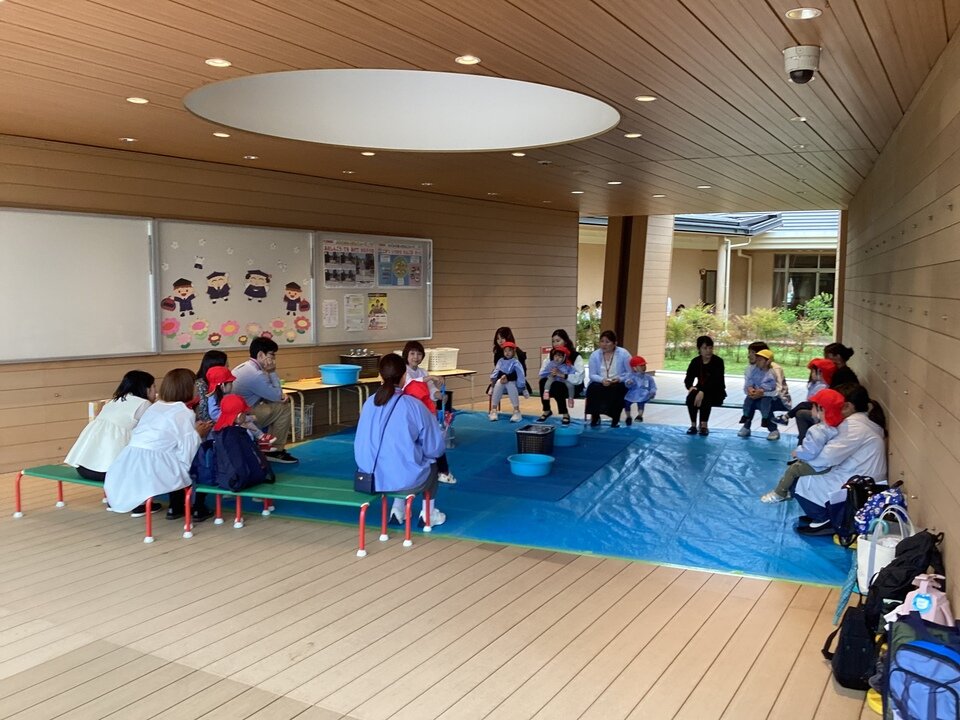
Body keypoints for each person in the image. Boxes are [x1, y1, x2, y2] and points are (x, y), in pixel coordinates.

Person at [355, 353, 447, 527]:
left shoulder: (368, 403)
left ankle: (398, 509)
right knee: (431, 463)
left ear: (381, 376)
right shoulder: (413, 405)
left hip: (368, 477)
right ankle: (428, 514)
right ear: (405, 376)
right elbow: (435, 448)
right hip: (404, 480)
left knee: (399, 460)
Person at [104, 369, 212, 515]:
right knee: (193, 465)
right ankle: (193, 507)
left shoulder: (155, 406)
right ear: (188, 388)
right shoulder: (184, 412)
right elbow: (187, 452)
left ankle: (175, 508)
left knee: (172, 456)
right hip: (155, 468)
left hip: (127, 462)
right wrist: (198, 434)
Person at [793, 383, 888, 536]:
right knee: (803, 472)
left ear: (847, 406)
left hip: (858, 488)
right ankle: (823, 513)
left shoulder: (854, 427)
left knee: (798, 478)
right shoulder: (860, 422)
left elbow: (825, 458)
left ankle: (827, 518)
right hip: (858, 481)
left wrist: (802, 455)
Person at [64, 370, 160, 516]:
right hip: (109, 473)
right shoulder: (144, 404)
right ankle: (138, 505)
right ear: (146, 388)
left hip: (83, 468)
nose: (156, 391)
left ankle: (113, 500)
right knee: (144, 460)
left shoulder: (114, 401)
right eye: (154, 387)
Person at [760, 388, 844, 503]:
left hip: (818, 466)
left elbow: (810, 452)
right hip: (826, 464)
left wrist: (797, 452)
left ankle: (779, 493)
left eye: (812, 407)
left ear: (821, 409)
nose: (810, 409)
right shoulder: (833, 428)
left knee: (792, 470)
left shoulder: (817, 430)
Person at [232, 336, 297, 463]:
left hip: (241, 413)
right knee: (283, 408)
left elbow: (272, 393)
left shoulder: (247, 367)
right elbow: (277, 395)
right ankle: (275, 450)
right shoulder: (255, 374)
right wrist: (272, 371)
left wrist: (278, 395)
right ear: (261, 355)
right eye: (272, 355)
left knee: (276, 405)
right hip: (242, 418)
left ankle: (269, 446)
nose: (274, 359)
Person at [794, 343, 859, 442]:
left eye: (828, 356)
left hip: (839, 411)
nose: (826, 360)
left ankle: (803, 442)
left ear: (838, 356)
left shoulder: (842, 375)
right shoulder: (839, 372)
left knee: (801, 414)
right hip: (835, 407)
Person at [205, 366, 276, 452]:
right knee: (246, 423)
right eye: (231, 383)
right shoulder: (213, 397)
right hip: (223, 426)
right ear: (223, 385)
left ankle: (261, 439)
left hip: (231, 422)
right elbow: (215, 415)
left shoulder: (225, 395)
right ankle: (260, 438)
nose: (232, 385)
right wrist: (246, 418)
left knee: (246, 423)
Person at [537, 328, 584, 425]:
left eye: (558, 341)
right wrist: (551, 372)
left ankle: (565, 413)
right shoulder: (552, 355)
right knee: (543, 382)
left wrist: (563, 375)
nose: (555, 344)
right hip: (556, 382)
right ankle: (546, 410)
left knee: (557, 385)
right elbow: (542, 371)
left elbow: (579, 377)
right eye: (553, 341)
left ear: (565, 341)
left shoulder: (575, 356)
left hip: (572, 385)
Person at [585, 330, 632, 427]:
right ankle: (595, 417)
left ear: (615, 343)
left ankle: (615, 419)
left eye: (607, 342)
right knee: (593, 388)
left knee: (617, 389)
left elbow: (630, 372)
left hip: (618, 381)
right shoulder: (595, 355)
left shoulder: (624, 354)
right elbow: (592, 375)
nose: (604, 344)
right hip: (601, 381)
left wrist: (619, 379)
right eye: (602, 341)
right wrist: (602, 380)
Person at [683, 335, 726, 436]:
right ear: (699, 349)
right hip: (700, 388)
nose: (708, 351)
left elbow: (716, 381)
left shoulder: (718, 362)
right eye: (705, 348)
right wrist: (691, 387)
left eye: (710, 348)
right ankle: (693, 425)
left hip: (716, 390)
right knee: (691, 397)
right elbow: (688, 379)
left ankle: (704, 425)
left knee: (706, 397)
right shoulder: (695, 361)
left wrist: (702, 392)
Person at [776, 357, 835, 426]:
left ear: (820, 373)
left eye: (813, 372)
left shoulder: (822, 386)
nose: (812, 374)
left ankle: (786, 417)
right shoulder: (817, 383)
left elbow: (813, 398)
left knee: (802, 405)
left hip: (815, 404)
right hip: (813, 403)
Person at [738, 348, 780, 440]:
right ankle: (746, 420)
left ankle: (769, 424)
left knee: (765, 405)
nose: (757, 361)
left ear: (768, 361)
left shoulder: (773, 372)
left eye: (760, 360)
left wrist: (762, 390)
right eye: (757, 359)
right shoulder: (754, 370)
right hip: (756, 392)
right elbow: (750, 381)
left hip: (769, 395)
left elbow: (773, 386)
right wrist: (750, 389)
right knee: (748, 402)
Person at [489, 341, 529, 422]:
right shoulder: (501, 361)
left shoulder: (516, 362)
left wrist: (523, 388)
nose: (507, 353)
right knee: (498, 382)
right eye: (505, 351)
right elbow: (496, 371)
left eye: (509, 350)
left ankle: (516, 411)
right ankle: (493, 410)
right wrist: (493, 383)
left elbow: (520, 374)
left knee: (510, 383)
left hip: (514, 384)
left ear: (513, 351)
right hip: (502, 382)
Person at [487, 326, 531, 396]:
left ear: (508, 338)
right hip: (502, 379)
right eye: (498, 339)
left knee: (509, 385)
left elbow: (523, 372)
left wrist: (508, 377)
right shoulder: (498, 353)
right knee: (495, 382)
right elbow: (498, 369)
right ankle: (495, 402)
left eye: (502, 338)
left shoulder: (518, 352)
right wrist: (501, 376)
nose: (500, 341)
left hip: (516, 380)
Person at [194, 350, 228, 423]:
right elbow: (204, 415)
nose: (228, 370)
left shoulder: (218, 383)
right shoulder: (201, 385)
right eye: (226, 366)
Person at [623, 355, 656, 425]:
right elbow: (627, 385)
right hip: (632, 394)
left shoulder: (648, 377)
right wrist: (629, 383)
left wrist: (652, 392)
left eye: (644, 365)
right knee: (627, 403)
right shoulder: (630, 376)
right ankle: (628, 416)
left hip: (643, 394)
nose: (644, 367)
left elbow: (653, 386)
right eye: (641, 366)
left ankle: (640, 415)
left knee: (641, 403)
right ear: (634, 368)